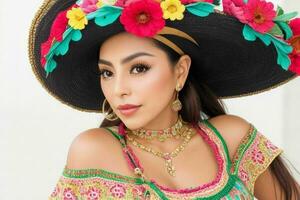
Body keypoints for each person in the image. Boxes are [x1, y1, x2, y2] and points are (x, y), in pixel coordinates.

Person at [28, 0, 300, 199]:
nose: (118, 89)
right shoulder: (94, 150)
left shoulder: (233, 138)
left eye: (139, 68)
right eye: (107, 72)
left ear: (180, 71)